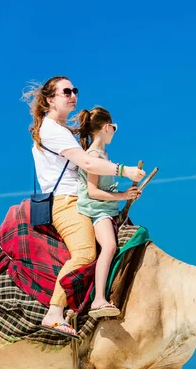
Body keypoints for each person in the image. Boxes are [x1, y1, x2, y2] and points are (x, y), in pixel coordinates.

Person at [24, 76, 145, 338]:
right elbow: (88, 165)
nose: (72, 94)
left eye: (74, 90)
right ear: (50, 99)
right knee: (84, 253)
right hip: (66, 203)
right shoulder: (52, 130)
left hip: (79, 200)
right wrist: (123, 170)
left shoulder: (61, 130)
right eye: (65, 91)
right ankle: (54, 313)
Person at [75, 106, 141, 319]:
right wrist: (123, 196)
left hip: (107, 208)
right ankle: (98, 300)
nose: (114, 131)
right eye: (114, 127)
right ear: (106, 127)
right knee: (110, 246)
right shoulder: (93, 155)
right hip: (98, 212)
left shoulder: (102, 154)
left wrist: (126, 194)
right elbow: (92, 192)